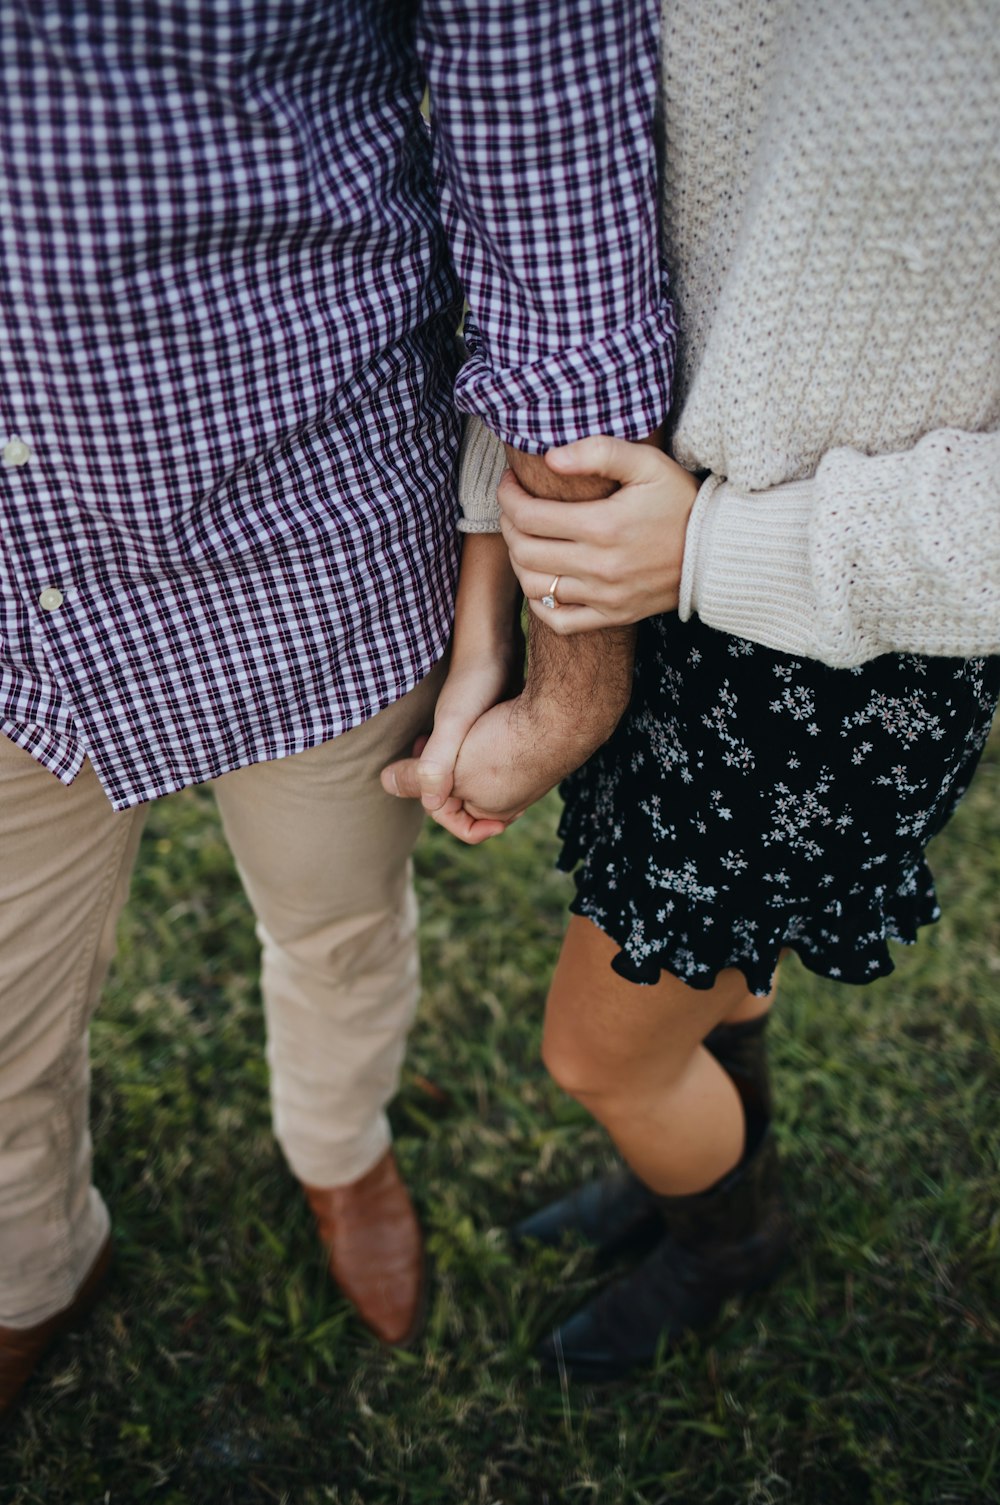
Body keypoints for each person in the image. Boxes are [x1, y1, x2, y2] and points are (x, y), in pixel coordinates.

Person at [0, 0, 678, 1418]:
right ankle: (28, 1262)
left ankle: (339, 1143)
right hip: (14, 596)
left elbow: (547, 172)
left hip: (311, 542)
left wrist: (568, 684)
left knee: (339, 924)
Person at [385, 0, 1000, 1379]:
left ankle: (732, 1231)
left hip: (844, 640)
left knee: (598, 1052)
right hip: (650, 578)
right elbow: (557, 233)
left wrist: (718, 546)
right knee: (703, 976)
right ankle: (703, 1152)